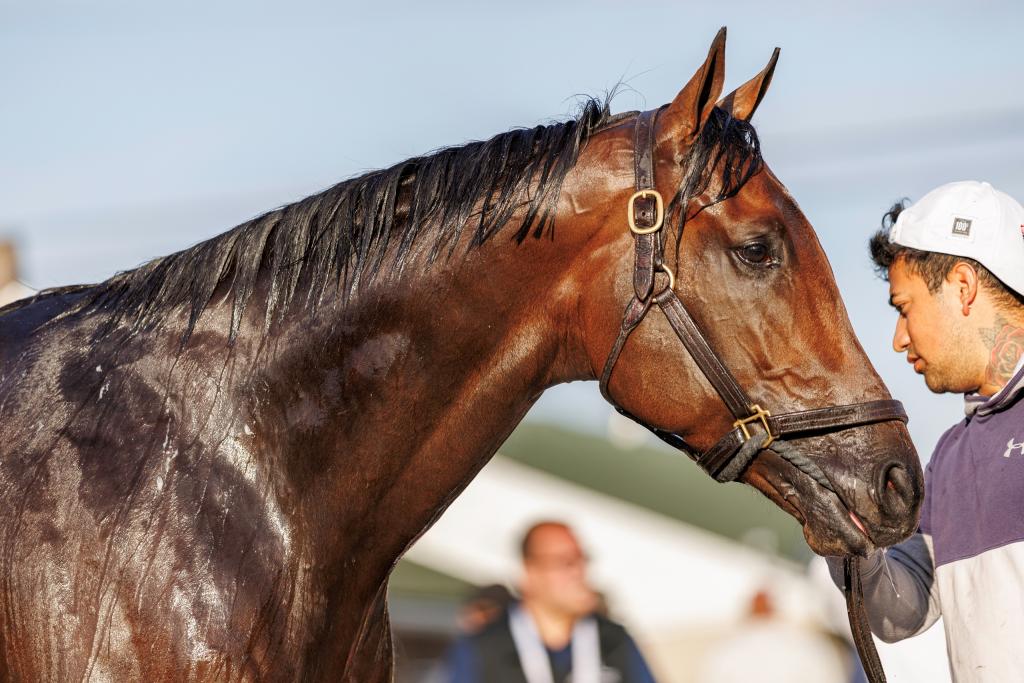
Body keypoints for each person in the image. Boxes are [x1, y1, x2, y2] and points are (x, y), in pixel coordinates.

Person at [825, 181, 1024, 681]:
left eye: (903, 306)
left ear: (962, 286)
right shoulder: (952, 456)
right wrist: (848, 540)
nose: (898, 339)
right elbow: (903, 611)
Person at [446, 521, 657, 683]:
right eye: (565, 562)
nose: (578, 572)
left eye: (581, 560)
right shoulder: (483, 647)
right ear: (530, 573)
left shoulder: (614, 640)